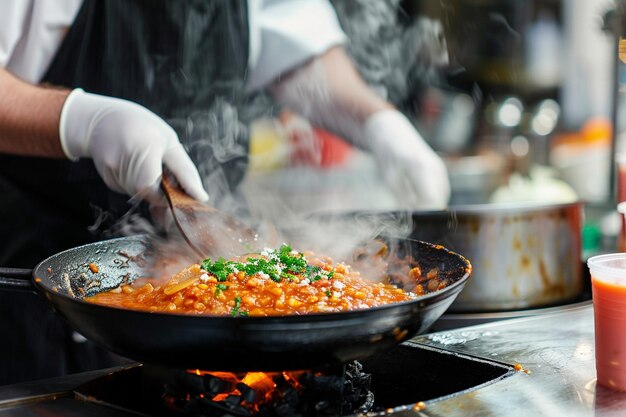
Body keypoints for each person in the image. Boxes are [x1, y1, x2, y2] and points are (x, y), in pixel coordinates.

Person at [0, 0, 450, 384]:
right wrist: (80, 121)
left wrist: (379, 122)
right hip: (40, 289)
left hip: (208, 287)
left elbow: (299, 48)